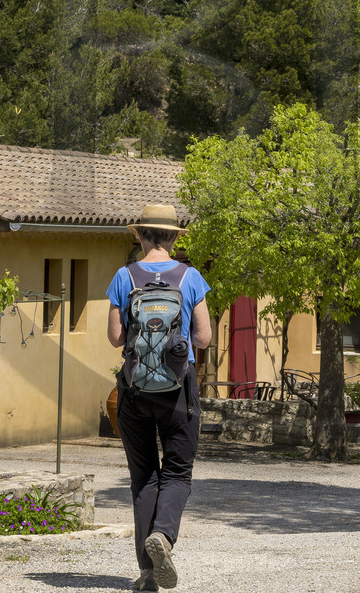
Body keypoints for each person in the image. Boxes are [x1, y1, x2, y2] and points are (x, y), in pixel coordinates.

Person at [106, 203, 212, 591]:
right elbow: (203, 338)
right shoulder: (190, 277)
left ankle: (148, 574)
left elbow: (116, 338)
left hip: (134, 392)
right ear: (173, 237)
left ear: (140, 235)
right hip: (179, 391)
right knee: (178, 473)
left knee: (144, 478)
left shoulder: (124, 276)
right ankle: (164, 537)